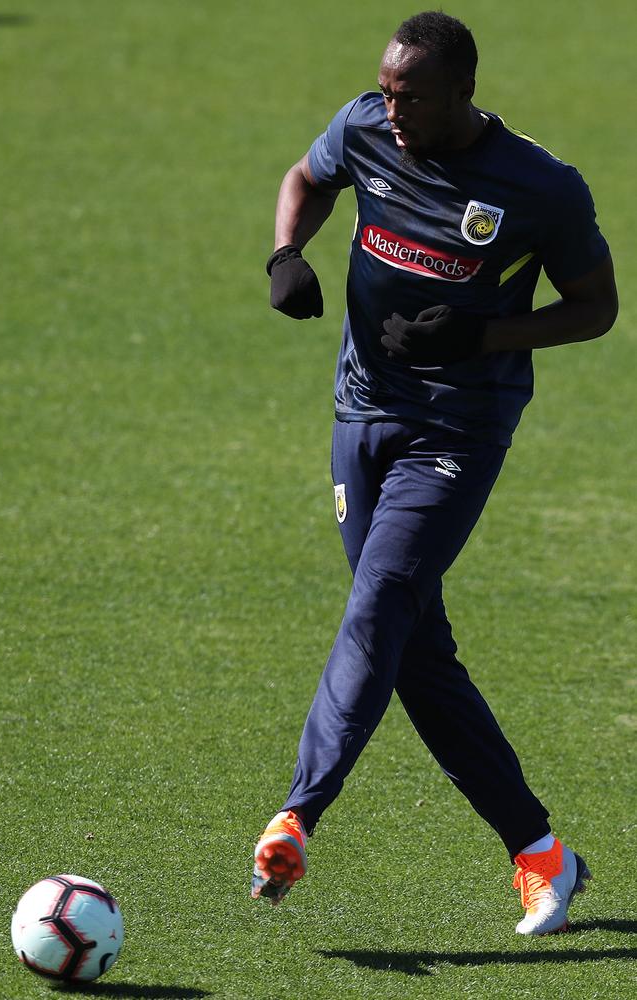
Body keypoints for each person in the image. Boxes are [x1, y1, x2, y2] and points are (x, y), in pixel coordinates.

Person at [251, 10, 618, 935]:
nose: (391, 108)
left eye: (409, 96)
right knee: (412, 644)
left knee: (380, 603)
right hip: (359, 414)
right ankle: (541, 854)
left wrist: (483, 334)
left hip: (456, 430)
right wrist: (286, 254)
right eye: (385, 90)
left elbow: (597, 308)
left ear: (464, 93)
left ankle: (298, 814)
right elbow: (307, 175)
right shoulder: (369, 125)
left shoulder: (542, 188)